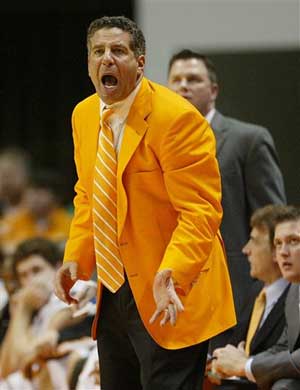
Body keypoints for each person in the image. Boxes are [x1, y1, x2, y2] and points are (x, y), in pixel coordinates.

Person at [54, 15, 236, 390]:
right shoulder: (83, 115)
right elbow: (88, 195)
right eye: (98, 52)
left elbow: (201, 211)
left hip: (167, 290)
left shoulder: (177, 118)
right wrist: (76, 257)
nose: (107, 59)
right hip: (114, 289)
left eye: (118, 51)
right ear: (88, 63)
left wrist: (175, 273)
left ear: (139, 63)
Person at [167, 50, 286, 326]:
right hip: (176, 287)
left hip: (238, 287)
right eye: (177, 80)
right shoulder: (159, 146)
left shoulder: (248, 140)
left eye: (193, 79)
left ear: (213, 90)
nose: (184, 85)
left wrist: (269, 288)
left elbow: (272, 220)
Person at [212, 205, 300, 390]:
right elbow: (283, 348)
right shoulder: (294, 292)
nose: (282, 252)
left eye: (293, 241)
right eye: (277, 243)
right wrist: (236, 362)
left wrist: (245, 366)